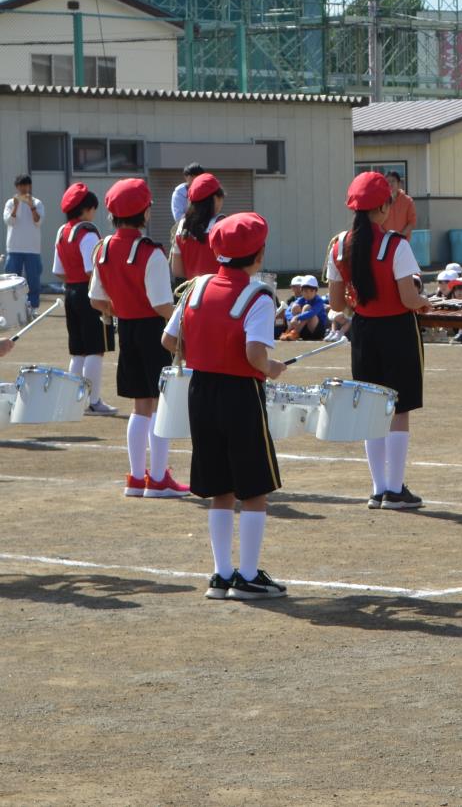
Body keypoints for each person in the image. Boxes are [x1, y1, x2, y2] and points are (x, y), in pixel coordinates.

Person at [161, 212, 288, 601]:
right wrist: (272, 367)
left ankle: (220, 574)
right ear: (259, 254)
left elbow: (169, 341)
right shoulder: (258, 295)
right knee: (254, 488)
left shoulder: (196, 287)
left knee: (220, 487)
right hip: (240, 393)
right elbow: (254, 353)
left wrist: (205, 352)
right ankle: (247, 575)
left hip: (202, 391)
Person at [326, 171, 432, 511]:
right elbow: (408, 298)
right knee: (399, 410)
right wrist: (425, 301)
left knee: (372, 409)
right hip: (398, 330)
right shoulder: (395, 244)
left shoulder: (339, 245)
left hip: (364, 331)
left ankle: (377, 488)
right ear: (384, 206)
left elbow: (337, 304)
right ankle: (395, 488)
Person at [89, 178, 186, 499]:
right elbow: (161, 304)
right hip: (153, 331)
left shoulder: (101, 249)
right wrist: (182, 323)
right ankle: (158, 478)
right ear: (144, 213)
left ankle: (135, 476)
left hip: (127, 329)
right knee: (159, 405)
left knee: (138, 405)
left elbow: (96, 300)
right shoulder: (150, 252)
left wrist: (120, 309)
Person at [53, 183, 116, 416]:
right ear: (86, 209)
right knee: (95, 349)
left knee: (78, 350)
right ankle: (93, 400)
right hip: (89, 292)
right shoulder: (87, 233)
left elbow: (58, 270)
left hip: (70, 290)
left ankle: (74, 400)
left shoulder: (62, 232)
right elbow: (93, 271)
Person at [170, 173, 225, 280]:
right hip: (219, 291)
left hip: (192, 293)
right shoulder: (222, 225)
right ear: (215, 198)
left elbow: (177, 271)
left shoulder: (182, 226)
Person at [4, 174, 44, 314]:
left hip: (32, 248)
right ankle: (12, 308)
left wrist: (31, 206)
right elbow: (9, 222)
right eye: (21, 185)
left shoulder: (37, 203)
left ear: (29, 186)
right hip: (14, 247)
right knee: (11, 280)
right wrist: (15, 207)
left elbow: (38, 222)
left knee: (33, 279)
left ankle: (33, 307)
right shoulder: (10, 202)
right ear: (17, 187)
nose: (23, 188)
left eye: (26, 185)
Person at [281, 277, 329, 341]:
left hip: (316, 331)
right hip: (304, 330)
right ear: (302, 291)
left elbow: (312, 312)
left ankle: (294, 332)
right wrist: (292, 318)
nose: (308, 294)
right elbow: (287, 310)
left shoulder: (319, 301)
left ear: (316, 291)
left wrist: (297, 317)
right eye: (306, 291)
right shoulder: (301, 299)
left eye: (311, 291)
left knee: (307, 307)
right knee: (295, 307)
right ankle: (291, 332)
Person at [384, 170, 417, 240]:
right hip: (385, 241)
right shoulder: (381, 201)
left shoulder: (408, 201)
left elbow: (412, 222)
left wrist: (400, 236)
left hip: (402, 241)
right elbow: (377, 222)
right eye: (388, 181)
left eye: (393, 181)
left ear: (399, 184)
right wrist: (386, 237)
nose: (390, 184)